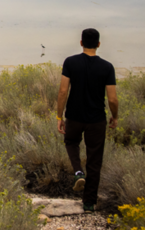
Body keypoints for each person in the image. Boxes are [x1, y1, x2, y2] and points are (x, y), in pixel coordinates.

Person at [56, 28, 118, 213]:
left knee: (71, 142)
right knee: (94, 160)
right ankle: (89, 203)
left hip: (74, 116)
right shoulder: (107, 67)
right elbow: (113, 99)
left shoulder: (70, 62)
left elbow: (62, 92)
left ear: (81, 42)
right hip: (97, 120)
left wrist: (59, 116)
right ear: (98, 44)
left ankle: (77, 172)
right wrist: (115, 116)